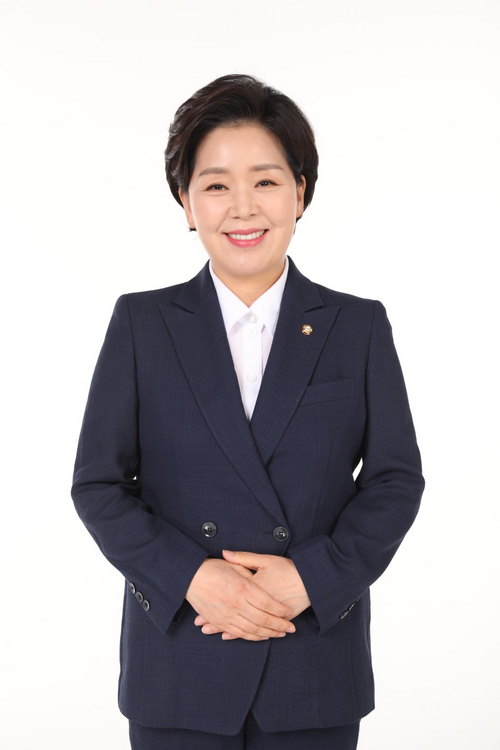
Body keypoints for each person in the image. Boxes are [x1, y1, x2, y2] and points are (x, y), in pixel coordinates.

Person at [71, 73, 424, 750]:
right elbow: (99, 485)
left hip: (311, 659)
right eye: (215, 185)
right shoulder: (143, 324)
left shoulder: (357, 326)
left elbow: (395, 480)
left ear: (300, 192)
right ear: (186, 202)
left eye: (265, 181)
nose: (243, 207)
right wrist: (190, 578)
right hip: (181, 659)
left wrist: (312, 579)